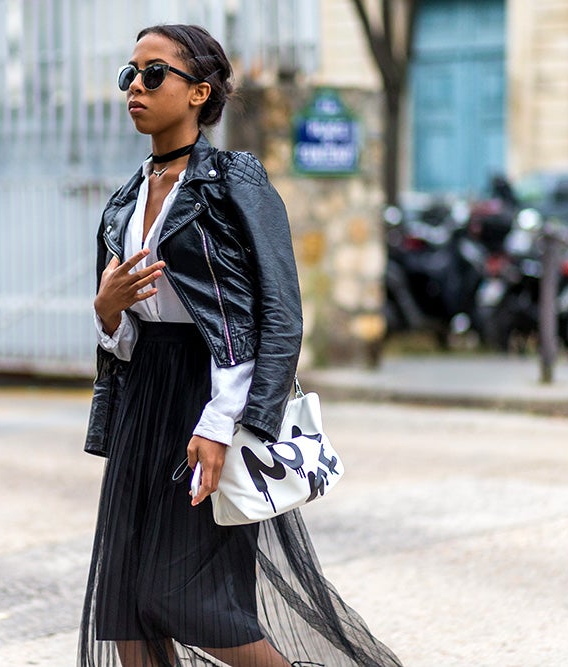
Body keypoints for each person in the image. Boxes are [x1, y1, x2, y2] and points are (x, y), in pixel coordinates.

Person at [80, 24, 403, 667]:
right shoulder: (125, 201)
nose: (134, 88)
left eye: (153, 74)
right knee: (125, 608)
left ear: (200, 92)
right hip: (145, 398)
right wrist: (106, 312)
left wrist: (228, 423)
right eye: (129, 74)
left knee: (190, 599)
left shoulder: (233, 181)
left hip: (209, 399)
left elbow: (277, 314)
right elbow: (125, 329)